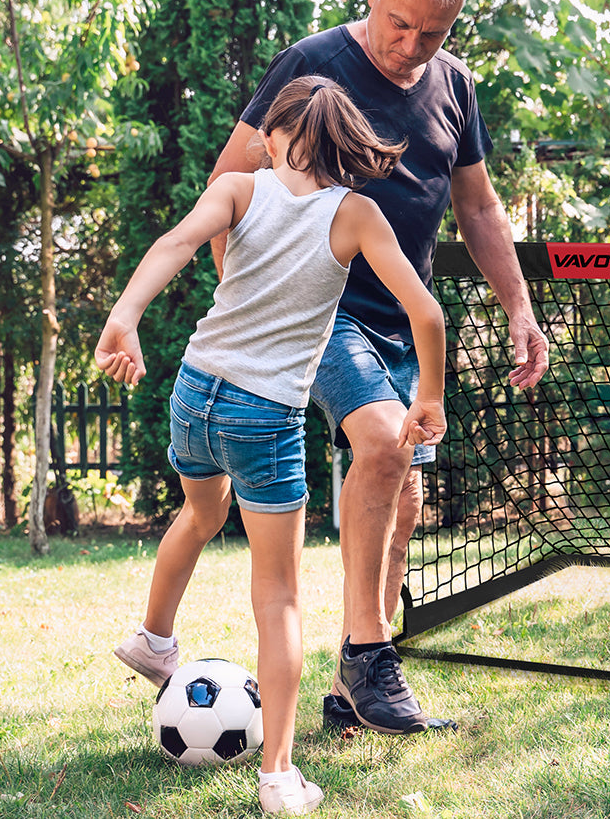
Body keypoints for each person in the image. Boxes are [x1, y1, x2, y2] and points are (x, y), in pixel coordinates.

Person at [203, 0, 549, 734]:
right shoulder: (310, 65)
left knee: (405, 497)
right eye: (399, 25)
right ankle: (369, 649)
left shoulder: (454, 88)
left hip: (402, 321)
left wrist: (520, 308)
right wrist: (248, 301)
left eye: (433, 34)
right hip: (319, 311)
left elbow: (480, 208)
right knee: (386, 442)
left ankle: (351, 689)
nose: (411, 47)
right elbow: (230, 182)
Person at [99, 75, 447, 815]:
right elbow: (428, 314)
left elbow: (176, 243)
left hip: (195, 394)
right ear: (345, 144)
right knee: (280, 596)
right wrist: (430, 398)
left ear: (279, 135)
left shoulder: (240, 188)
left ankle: (155, 639)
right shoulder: (355, 215)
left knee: (198, 514)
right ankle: (280, 776)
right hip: (264, 419)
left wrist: (126, 316)